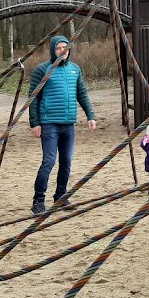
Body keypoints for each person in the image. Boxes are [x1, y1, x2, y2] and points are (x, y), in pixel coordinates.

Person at [29, 35, 97, 215]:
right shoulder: (42, 70)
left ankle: (60, 197)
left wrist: (90, 115)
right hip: (49, 123)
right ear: (53, 50)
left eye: (65, 48)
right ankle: (38, 200)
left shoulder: (75, 69)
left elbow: (82, 94)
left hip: (68, 124)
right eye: (59, 48)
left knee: (66, 162)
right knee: (49, 161)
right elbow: (33, 98)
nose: (62, 51)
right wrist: (34, 123)